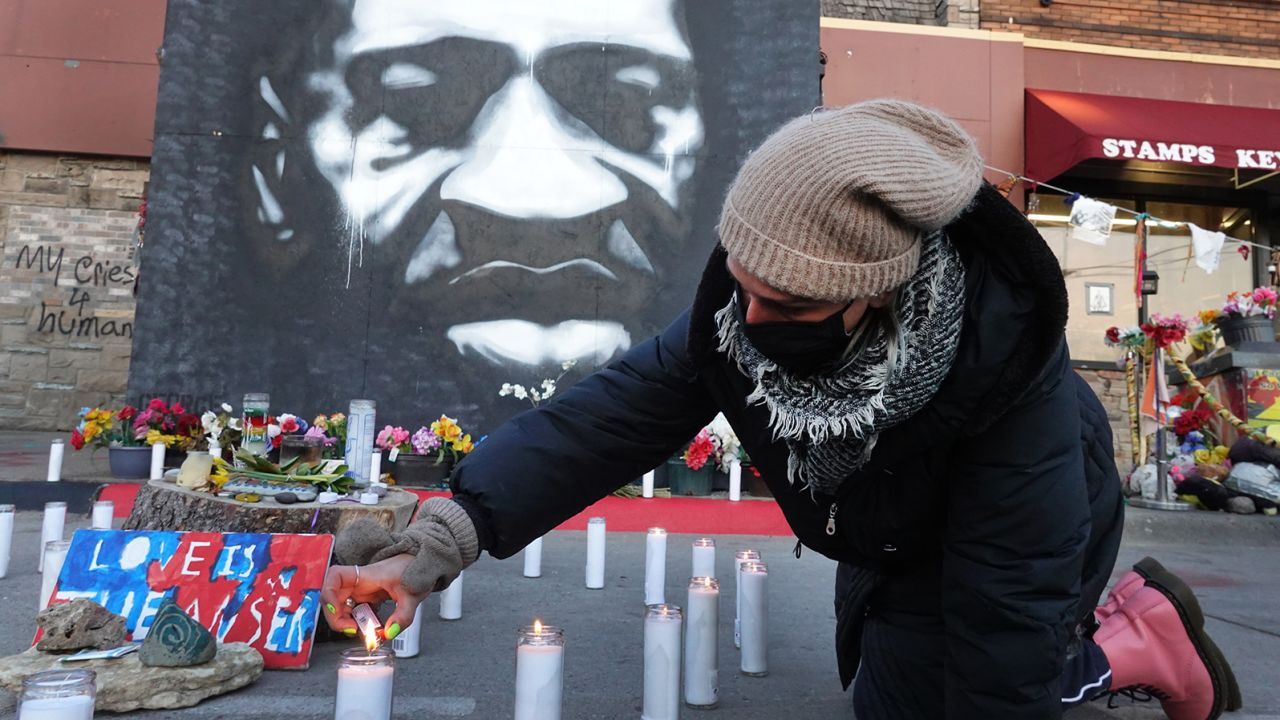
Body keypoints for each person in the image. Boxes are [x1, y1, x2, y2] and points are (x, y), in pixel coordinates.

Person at [320, 100, 1240, 719]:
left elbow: (1006, 613)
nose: (751, 328)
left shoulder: (1007, 385)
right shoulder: (739, 314)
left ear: (876, 294)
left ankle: (1135, 640)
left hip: (1021, 523)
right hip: (884, 526)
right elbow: (603, 423)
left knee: (985, 678)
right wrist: (437, 543)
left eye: (790, 309)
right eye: (744, 291)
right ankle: (1125, 634)